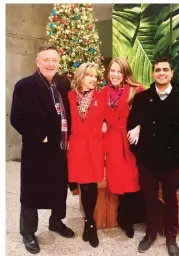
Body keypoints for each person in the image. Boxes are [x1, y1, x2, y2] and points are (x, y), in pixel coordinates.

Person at [127, 57, 179, 256]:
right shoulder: (142, 98)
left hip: (171, 160)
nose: (161, 73)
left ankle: (171, 237)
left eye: (165, 70)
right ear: (153, 73)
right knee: (149, 198)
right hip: (147, 160)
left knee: (170, 199)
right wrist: (138, 150)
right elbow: (131, 125)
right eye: (157, 70)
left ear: (171, 73)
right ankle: (150, 234)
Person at [10, 44, 75, 254]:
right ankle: (28, 233)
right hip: (37, 149)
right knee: (31, 192)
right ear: (38, 62)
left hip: (60, 148)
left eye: (54, 60)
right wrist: (41, 136)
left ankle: (56, 222)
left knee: (58, 188)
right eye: (46, 60)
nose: (50, 64)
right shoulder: (25, 86)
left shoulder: (63, 83)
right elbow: (16, 118)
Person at [103, 57, 143, 238]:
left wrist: (139, 127)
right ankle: (122, 216)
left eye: (119, 71)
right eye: (112, 70)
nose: (115, 75)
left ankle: (129, 218)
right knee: (117, 177)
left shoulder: (136, 90)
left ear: (125, 73)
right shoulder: (103, 92)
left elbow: (148, 114)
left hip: (129, 140)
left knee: (131, 177)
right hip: (111, 140)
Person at [67, 62, 105, 248]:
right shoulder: (69, 96)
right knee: (83, 184)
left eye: (95, 76)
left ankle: (90, 223)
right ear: (80, 77)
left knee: (92, 184)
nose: (93, 79)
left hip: (95, 147)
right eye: (89, 75)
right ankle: (89, 221)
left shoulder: (100, 97)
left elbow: (111, 118)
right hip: (77, 147)